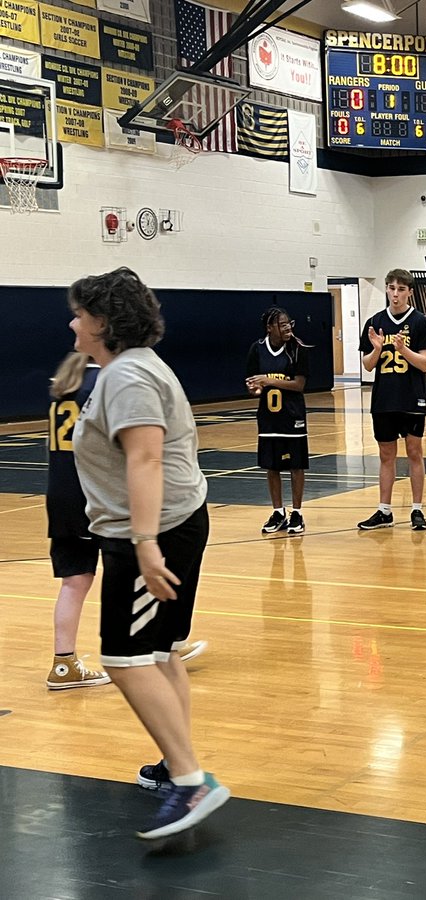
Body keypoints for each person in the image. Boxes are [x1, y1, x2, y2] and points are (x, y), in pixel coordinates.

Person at [68, 267, 228, 839]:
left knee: (125, 659)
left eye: (81, 315)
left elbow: (146, 460)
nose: (73, 323)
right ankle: (176, 763)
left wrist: (144, 544)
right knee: (160, 653)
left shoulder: (128, 377)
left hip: (154, 533)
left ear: (104, 322)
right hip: (173, 524)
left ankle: (191, 782)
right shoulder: (127, 369)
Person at [45, 353, 110, 690]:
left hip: (59, 493)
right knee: (134, 568)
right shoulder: (103, 383)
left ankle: (63, 663)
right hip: (91, 495)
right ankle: (156, 648)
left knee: (73, 581)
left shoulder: (67, 384)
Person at [357, 269, 426, 531]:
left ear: (410, 292)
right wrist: (377, 349)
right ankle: (384, 510)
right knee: (386, 455)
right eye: (391, 288)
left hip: (411, 397)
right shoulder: (375, 321)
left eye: (401, 289)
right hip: (384, 399)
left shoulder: (422, 323)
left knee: (414, 452)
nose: (395, 293)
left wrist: (403, 349)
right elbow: (367, 366)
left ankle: (417, 509)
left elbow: (425, 364)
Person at [246, 307, 310, 536]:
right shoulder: (257, 349)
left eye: (289, 323)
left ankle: (297, 512)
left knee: (296, 465)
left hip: (292, 416)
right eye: (282, 325)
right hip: (268, 418)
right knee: (271, 467)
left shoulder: (297, 349)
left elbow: (299, 385)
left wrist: (269, 380)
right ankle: (278, 512)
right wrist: (255, 388)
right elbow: (254, 387)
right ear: (270, 328)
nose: (288, 328)